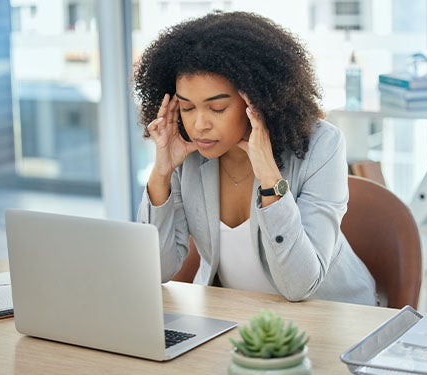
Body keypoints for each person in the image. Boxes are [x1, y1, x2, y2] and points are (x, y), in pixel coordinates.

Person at [135, 11, 376, 305]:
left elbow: (300, 286)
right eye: (187, 108)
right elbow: (157, 270)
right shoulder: (188, 154)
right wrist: (161, 174)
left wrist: (269, 178)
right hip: (238, 318)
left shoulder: (322, 146)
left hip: (332, 314)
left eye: (217, 109)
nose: (199, 125)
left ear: (257, 100)